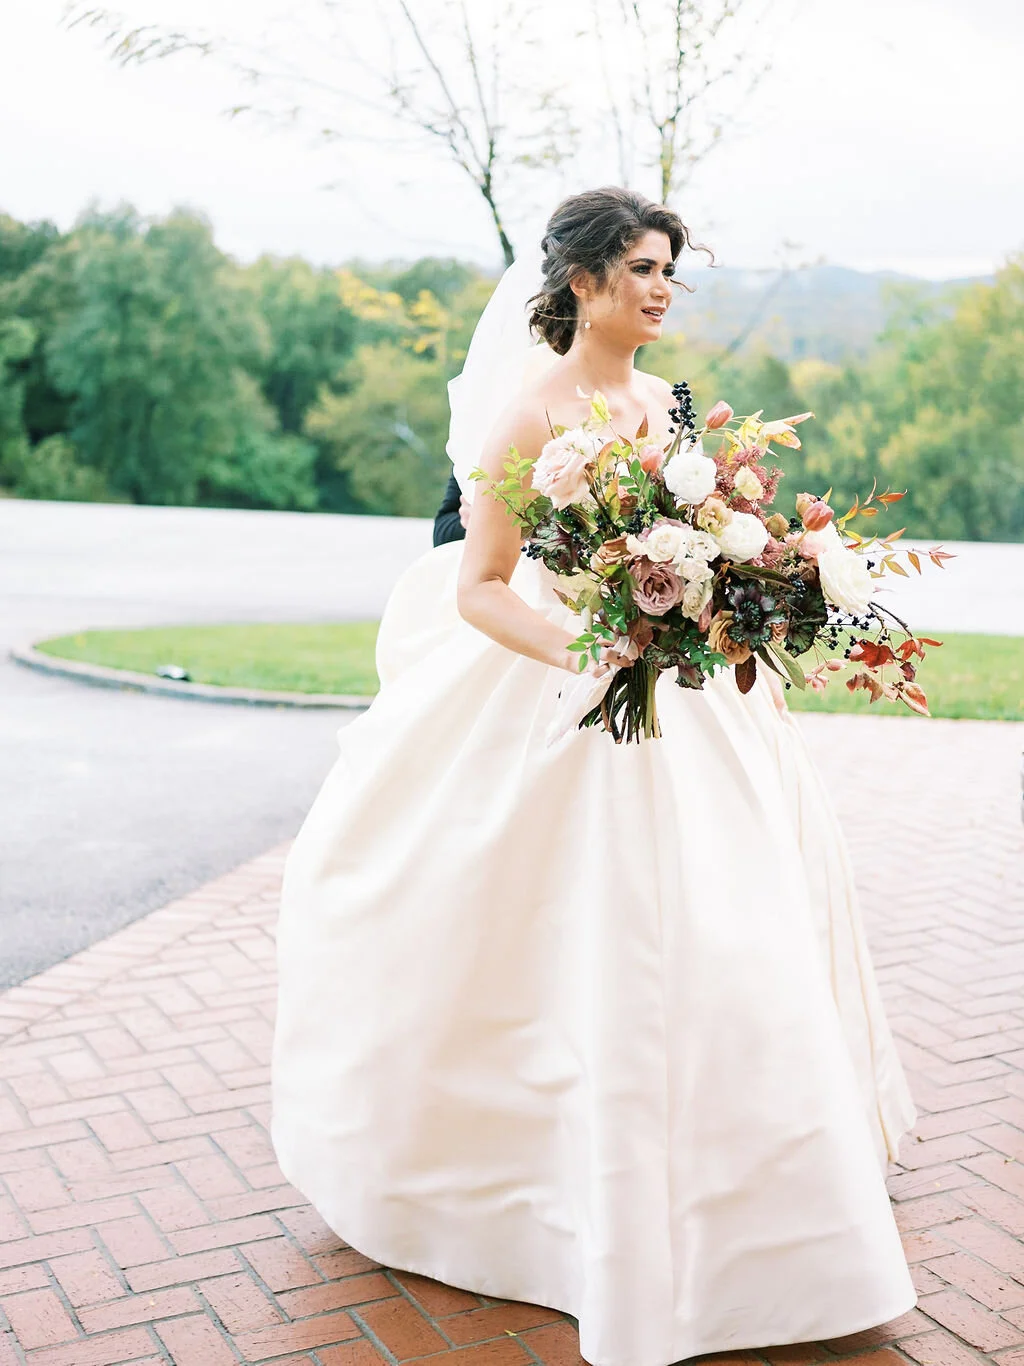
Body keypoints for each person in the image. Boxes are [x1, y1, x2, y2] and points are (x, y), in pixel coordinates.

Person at [271, 186, 916, 1366]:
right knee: (580, 948)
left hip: (693, 706)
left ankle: (758, 1200)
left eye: (670, 268)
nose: (661, 288)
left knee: (732, 938)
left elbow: (698, 534)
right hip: (572, 695)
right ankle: (546, 1193)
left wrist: (731, 595)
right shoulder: (527, 417)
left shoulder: (668, 405)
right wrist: (595, 651)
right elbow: (477, 590)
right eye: (639, 268)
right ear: (579, 282)